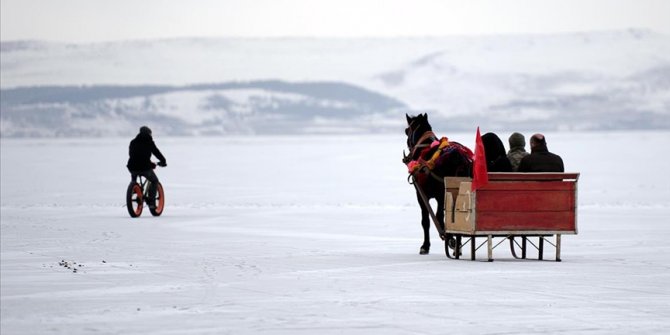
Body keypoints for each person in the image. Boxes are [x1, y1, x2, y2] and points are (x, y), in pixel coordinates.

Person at [127, 126, 167, 208]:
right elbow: (156, 152)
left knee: (134, 178)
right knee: (155, 181)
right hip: (144, 167)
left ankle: (134, 191)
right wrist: (163, 161)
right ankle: (151, 202)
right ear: (149, 133)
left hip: (132, 167)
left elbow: (132, 155)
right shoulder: (149, 142)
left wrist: (149, 163)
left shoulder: (133, 142)